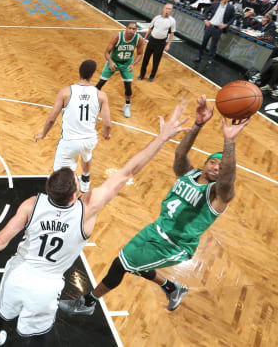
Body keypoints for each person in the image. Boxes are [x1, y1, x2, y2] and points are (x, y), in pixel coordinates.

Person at [0, 103, 192, 347]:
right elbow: (129, 172)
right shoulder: (88, 209)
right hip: (46, 286)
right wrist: (162, 137)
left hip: (18, 274)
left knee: (1, 312)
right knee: (37, 335)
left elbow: (1, 240)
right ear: (75, 195)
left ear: (48, 189)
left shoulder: (32, 204)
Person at [59, 96, 250, 316]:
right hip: (156, 229)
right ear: (205, 163)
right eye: (213, 161)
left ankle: (87, 303)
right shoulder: (189, 173)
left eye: (221, 165)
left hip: (174, 244)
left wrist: (230, 142)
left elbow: (227, 181)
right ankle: (173, 288)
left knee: (121, 263)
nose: (216, 167)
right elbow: (180, 154)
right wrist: (198, 125)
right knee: (136, 264)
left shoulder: (218, 195)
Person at [34, 60, 111, 192]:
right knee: (87, 155)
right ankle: (85, 180)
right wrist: (106, 133)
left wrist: (43, 134)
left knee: (59, 176)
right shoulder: (101, 95)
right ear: (93, 75)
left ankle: (66, 197)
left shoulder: (65, 92)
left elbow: (52, 119)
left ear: (79, 73)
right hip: (89, 140)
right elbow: (107, 124)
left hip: (69, 142)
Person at [96, 22, 145, 118]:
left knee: (128, 87)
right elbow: (106, 52)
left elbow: (140, 54)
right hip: (114, 61)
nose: (131, 31)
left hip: (127, 63)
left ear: (136, 30)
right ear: (126, 28)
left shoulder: (139, 39)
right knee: (101, 83)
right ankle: (92, 102)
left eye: (133, 29)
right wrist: (110, 62)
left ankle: (127, 106)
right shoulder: (118, 37)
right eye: (130, 28)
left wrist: (133, 64)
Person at [139, 3, 176, 82]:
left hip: (161, 43)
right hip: (152, 40)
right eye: (167, 8)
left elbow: (172, 33)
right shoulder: (156, 18)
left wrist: (168, 44)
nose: (168, 10)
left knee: (156, 60)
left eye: (169, 9)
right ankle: (142, 75)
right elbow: (150, 28)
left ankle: (151, 76)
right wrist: (144, 38)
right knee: (146, 58)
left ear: (171, 11)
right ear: (163, 9)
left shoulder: (172, 21)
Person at [196, 0, 237, 65]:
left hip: (218, 29)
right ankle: (199, 56)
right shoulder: (215, 4)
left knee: (213, 45)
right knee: (204, 43)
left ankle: (210, 59)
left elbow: (233, 18)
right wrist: (205, 20)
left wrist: (226, 24)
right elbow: (206, 12)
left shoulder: (230, 8)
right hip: (209, 26)